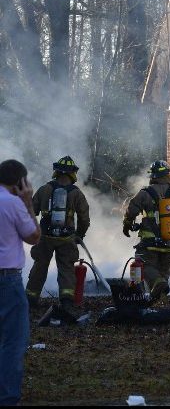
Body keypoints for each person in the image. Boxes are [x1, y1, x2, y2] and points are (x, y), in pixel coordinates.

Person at [25, 156, 90, 316]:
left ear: (56, 172)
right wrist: (79, 235)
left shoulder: (44, 189)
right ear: (72, 173)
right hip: (66, 238)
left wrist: (34, 231)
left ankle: (30, 299)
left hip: (45, 237)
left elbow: (31, 211)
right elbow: (84, 219)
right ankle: (66, 301)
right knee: (66, 268)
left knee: (39, 266)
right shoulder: (76, 193)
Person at [0, 159, 41, 406]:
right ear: (21, 182)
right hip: (7, 280)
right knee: (13, 341)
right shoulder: (13, 203)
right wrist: (28, 203)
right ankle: (7, 398)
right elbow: (34, 236)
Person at [122, 160, 170, 301]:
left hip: (150, 243)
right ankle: (159, 300)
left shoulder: (145, 193)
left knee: (143, 264)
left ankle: (158, 285)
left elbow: (131, 211)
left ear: (152, 175)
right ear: (167, 175)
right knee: (163, 271)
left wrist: (127, 225)